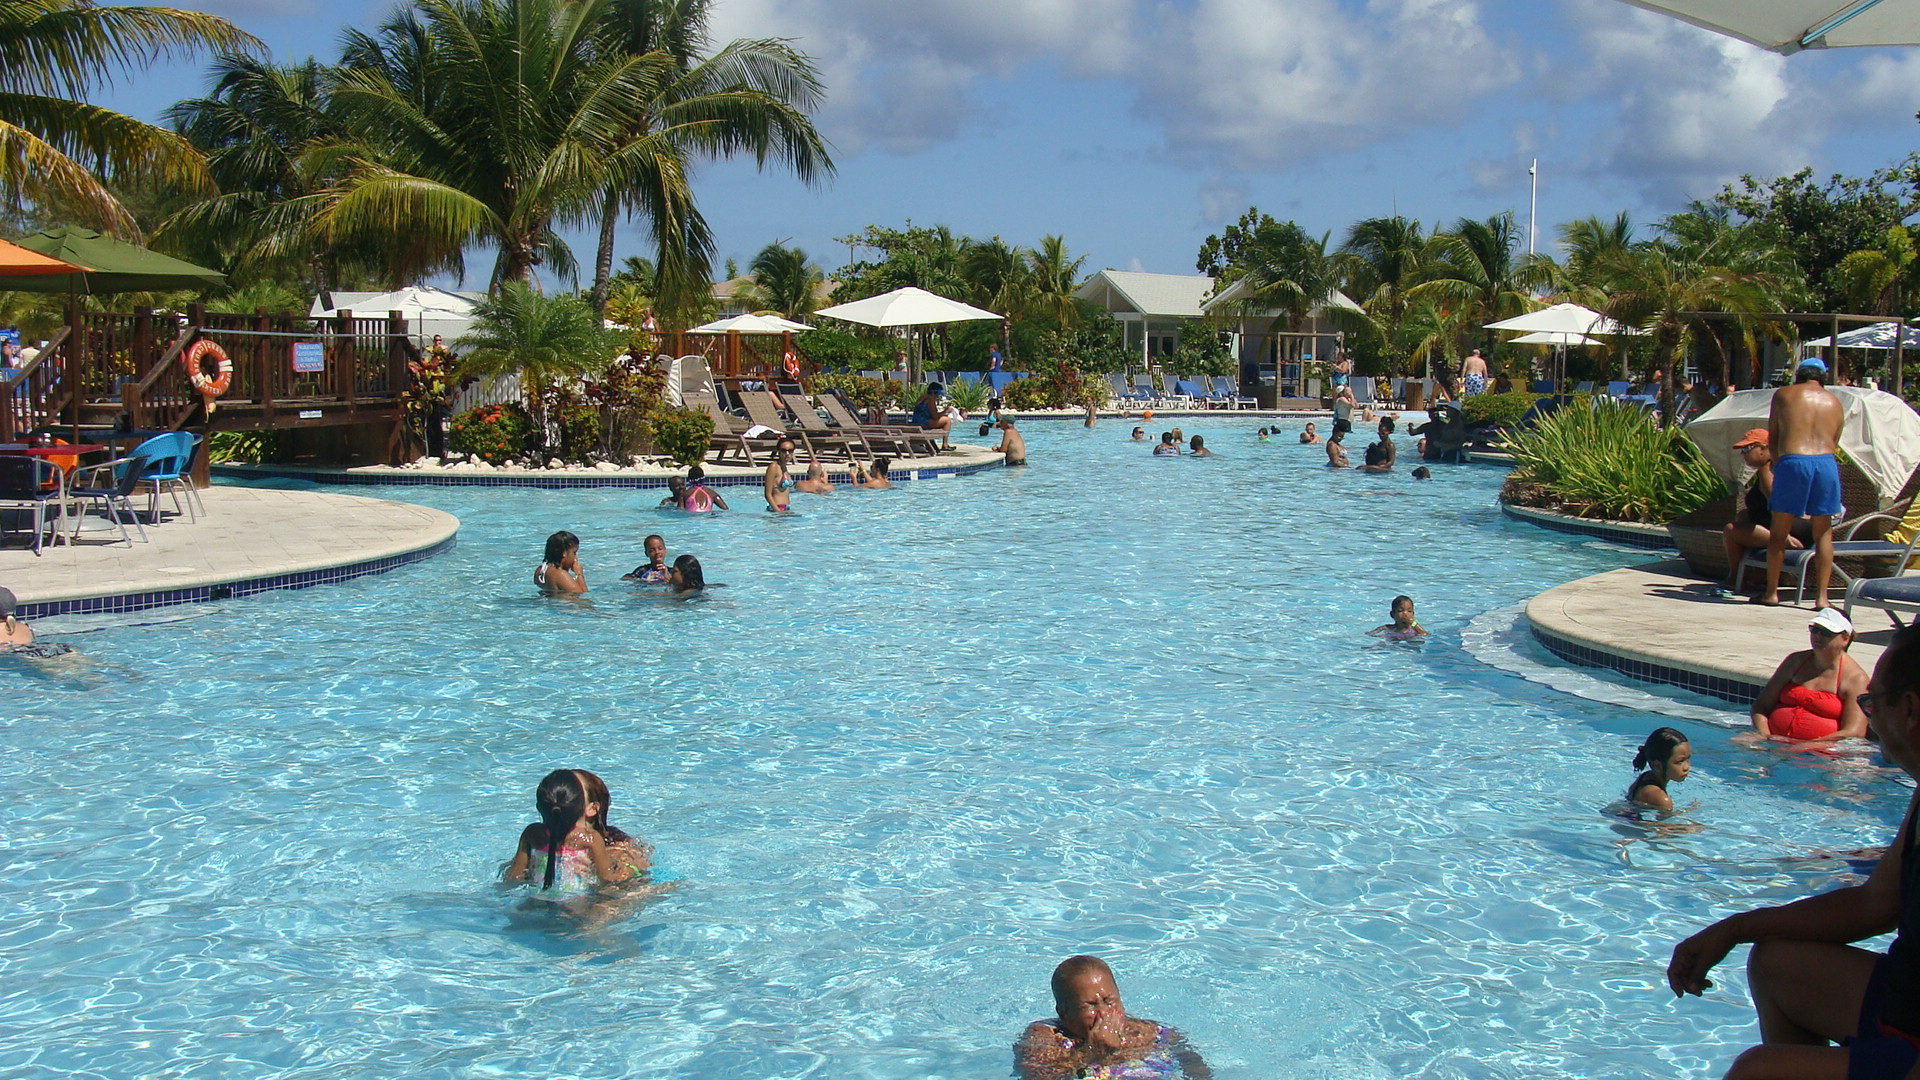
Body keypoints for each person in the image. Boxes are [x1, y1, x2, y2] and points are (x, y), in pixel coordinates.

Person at [1666, 624, 1920, 1079]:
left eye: (1871, 702)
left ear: (1910, 709)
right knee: (1776, 962)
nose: (1869, 719)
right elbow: (1874, 904)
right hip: (1905, 1001)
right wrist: (1736, 927)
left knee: (1760, 1071)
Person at [1014, 955, 1212, 1080]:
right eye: (1090, 1005)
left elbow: (1192, 1063)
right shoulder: (1045, 1037)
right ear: (1063, 1012)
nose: (1104, 1013)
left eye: (1110, 1001)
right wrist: (1093, 1052)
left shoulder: (1145, 1032)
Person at [1759, 359, 1846, 608]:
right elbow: (1835, 438)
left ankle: (1772, 593)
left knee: (1779, 532)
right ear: (1823, 377)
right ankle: (1821, 598)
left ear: (1798, 375)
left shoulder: (1784, 394)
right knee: (1823, 533)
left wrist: (1777, 462)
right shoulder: (1834, 401)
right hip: (1825, 462)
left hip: (1793, 459)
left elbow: (1773, 433)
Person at [502, 769, 637, 893]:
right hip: (577, 905)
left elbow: (513, 876)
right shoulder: (591, 839)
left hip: (536, 899)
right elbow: (609, 878)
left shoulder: (532, 833)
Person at [1749, 608, 1870, 741]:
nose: (1817, 636)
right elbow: (1761, 706)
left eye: (1825, 633)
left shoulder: (1855, 678)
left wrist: (1808, 746)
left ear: (1845, 639)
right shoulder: (1795, 662)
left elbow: (1854, 732)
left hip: (1820, 752)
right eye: (1814, 629)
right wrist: (1764, 736)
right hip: (1774, 743)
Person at [1717, 429, 1798, 597]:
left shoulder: (1766, 469)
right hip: (1787, 529)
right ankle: (1756, 577)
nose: (1743, 455)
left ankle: (1736, 578)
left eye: (1746, 449)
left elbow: (1776, 503)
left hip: (1787, 533)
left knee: (1731, 531)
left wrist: (1784, 535)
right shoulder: (1780, 467)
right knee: (1743, 517)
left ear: (1763, 448)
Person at [573, 769, 652, 874]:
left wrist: (595, 868)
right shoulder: (548, 837)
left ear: (592, 808)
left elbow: (628, 870)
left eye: (572, 792)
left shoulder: (614, 842)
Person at [1626, 727, 1693, 813]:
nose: (1686, 767)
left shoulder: (1646, 776)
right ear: (1657, 765)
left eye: (1688, 759)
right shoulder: (1662, 799)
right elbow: (1664, 825)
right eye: (1679, 762)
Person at [535, 531, 586, 595]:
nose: (576, 558)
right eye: (574, 553)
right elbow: (583, 599)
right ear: (564, 553)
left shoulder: (539, 571)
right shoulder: (561, 575)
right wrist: (579, 574)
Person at [910, 382, 954, 448]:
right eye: (937, 394)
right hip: (924, 423)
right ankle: (945, 444)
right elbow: (934, 416)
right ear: (934, 393)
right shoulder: (930, 399)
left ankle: (931, 443)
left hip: (916, 421)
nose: (937, 396)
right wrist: (945, 411)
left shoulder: (922, 397)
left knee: (944, 419)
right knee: (947, 420)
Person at [764, 438, 796, 512]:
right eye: (784, 450)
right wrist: (778, 511)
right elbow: (767, 494)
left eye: (790, 451)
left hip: (786, 508)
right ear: (778, 451)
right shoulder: (773, 467)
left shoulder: (784, 468)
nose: (787, 453)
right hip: (776, 509)